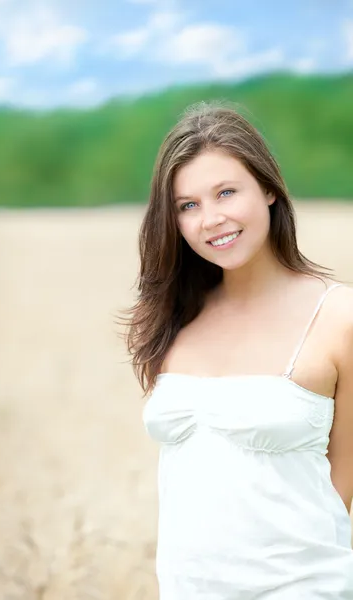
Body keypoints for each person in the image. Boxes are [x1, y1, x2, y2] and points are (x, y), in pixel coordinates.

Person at [122, 101, 353, 598]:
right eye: (188, 205)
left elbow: (344, 483)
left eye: (226, 192)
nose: (212, 219)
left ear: (269, 188)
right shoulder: (174, 318)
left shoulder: (340, 318)